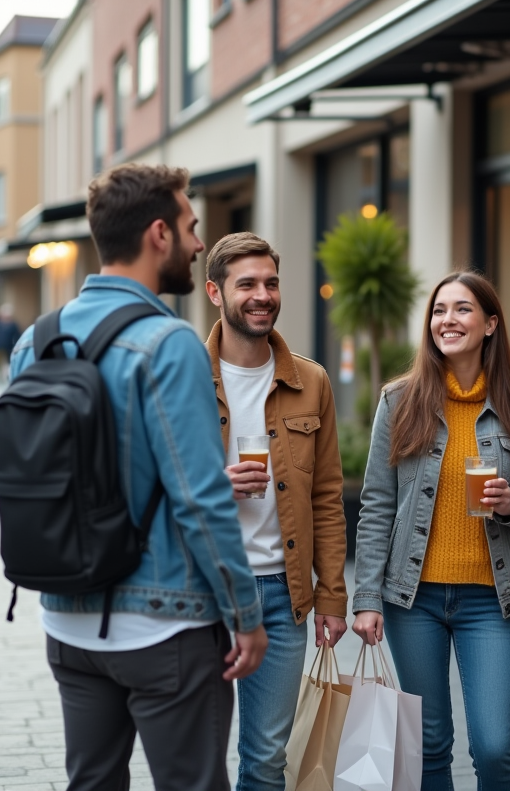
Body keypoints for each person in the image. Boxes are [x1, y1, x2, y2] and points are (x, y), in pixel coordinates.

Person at [9, 163, 268, 791]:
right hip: (165, 625)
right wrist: (246, 614)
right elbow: (201, 499)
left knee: (92, 782)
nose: (199, 242)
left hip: (65, 617)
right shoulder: (167, 342)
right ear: (159, 234)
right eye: (191, 225)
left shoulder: (33, 341)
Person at [352, 272, 510, 791]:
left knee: (494, 746)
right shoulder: (399, 401)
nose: (448, 320)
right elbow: (377, 504)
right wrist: (366, 598)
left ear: (491, 323)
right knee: (429, 745)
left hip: (492, 600)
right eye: (440, 310)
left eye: (463, 309)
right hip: (413, 598)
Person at [202, 231, 348, 791]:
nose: (262, 295)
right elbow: (150, 491)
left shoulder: (309, 381)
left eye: (271, 283)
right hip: (204, 591)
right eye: (247, 284)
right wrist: (216, 487)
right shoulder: (185, 376)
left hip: (284, 597)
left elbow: (328, 497)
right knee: (201, 755)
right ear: (215, 292)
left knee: (266, 759)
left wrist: (332, 596)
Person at [0, 304, 22, 381]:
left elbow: (17, 335)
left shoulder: (13, 324)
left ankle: (7, 374)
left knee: (8, 361)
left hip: (9, 346)